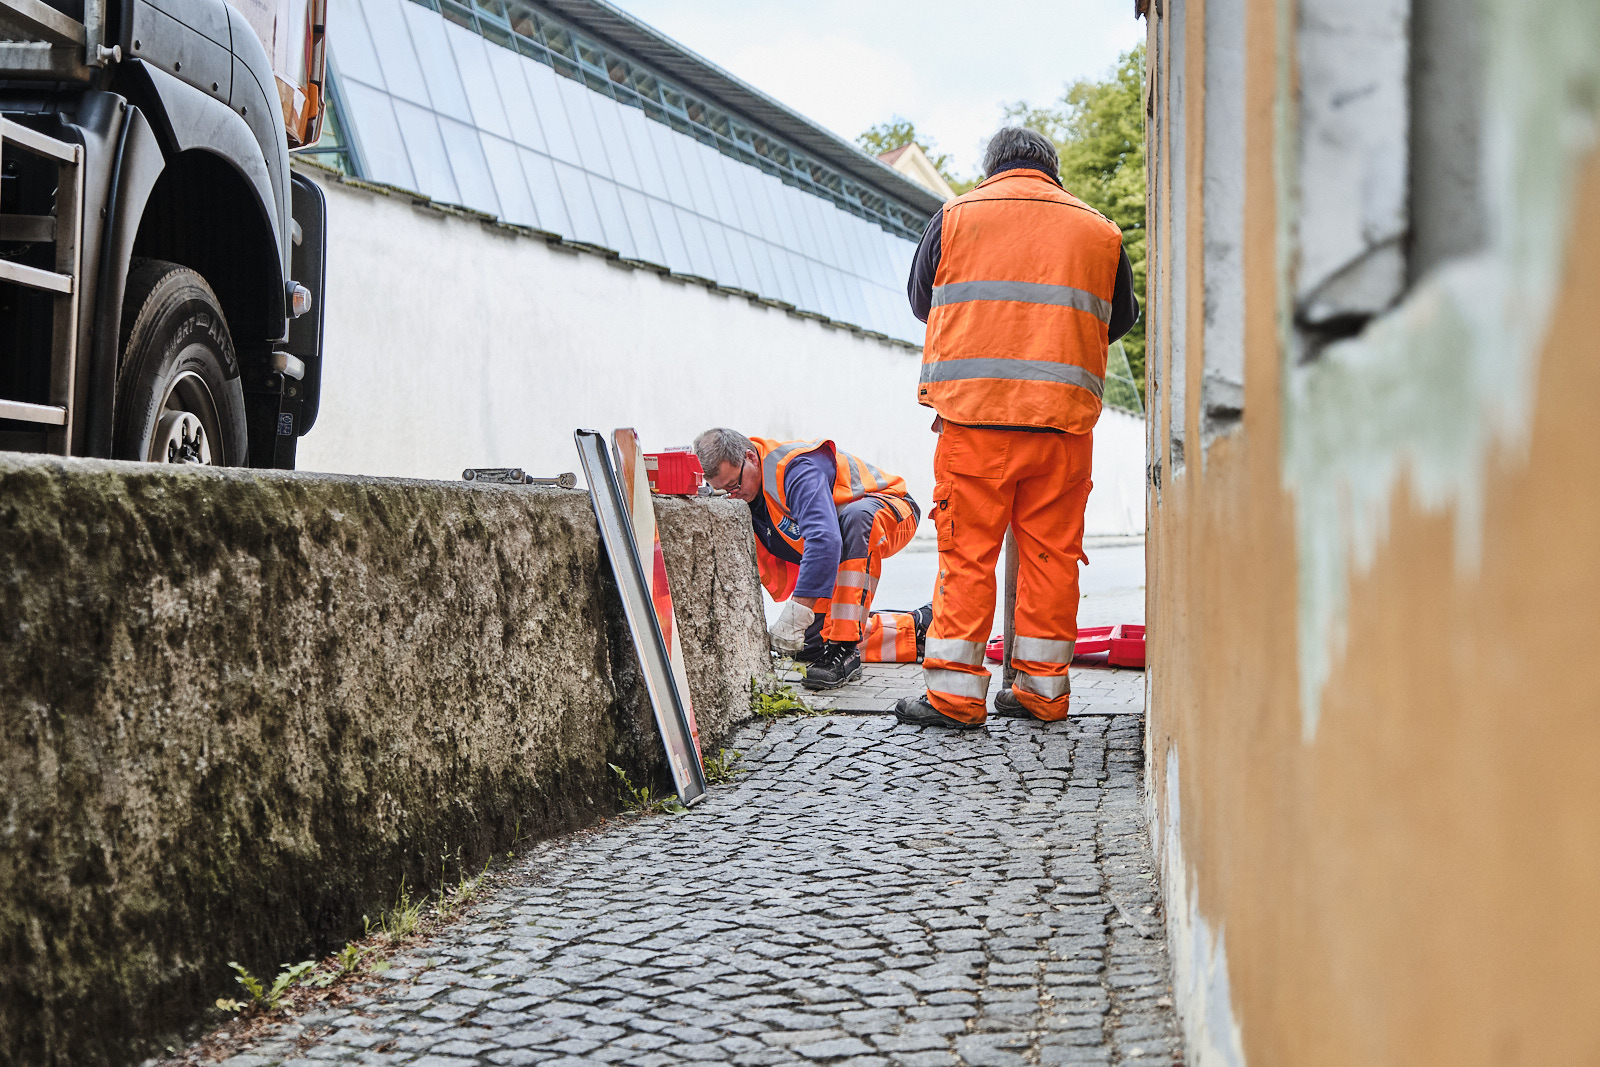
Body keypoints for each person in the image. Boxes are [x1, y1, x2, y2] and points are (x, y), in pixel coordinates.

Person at [894, 127, 1139, 730]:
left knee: (969, 555)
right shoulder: (1100, 232)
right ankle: (1041, 692)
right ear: (1053, 171)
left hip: (974, 420)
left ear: (991, 167)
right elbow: (1120, 318)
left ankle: (954, 697)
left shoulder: (955, 216)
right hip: (1061, 426)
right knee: (1052, 557)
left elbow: (921, 300)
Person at [693, 428, 920, 690]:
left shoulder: (796, 469)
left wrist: (796, 615)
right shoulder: (746, 485)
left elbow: (825, 540)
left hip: (889, 508)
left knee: (856, 519)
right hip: (838, 548)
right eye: (722, 490)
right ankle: (917, 629)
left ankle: (845, 650)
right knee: (810, 647)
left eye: (734, 485)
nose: (732, 495)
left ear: (750, 458)